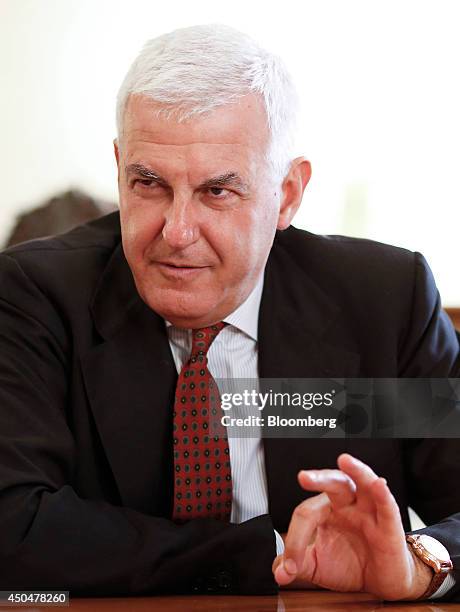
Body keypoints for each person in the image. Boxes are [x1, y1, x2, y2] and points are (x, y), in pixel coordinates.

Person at [0, 24, 459, 601]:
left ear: (287, 194)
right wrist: (265, 555)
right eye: (149, 183)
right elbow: (12, 526)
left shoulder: (382, 302)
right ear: (120, 168)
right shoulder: (36, 298)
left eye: (218, 191)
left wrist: (422, 560)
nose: (177, 232)